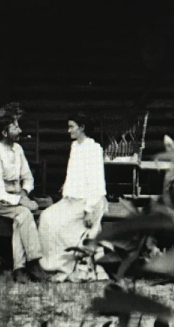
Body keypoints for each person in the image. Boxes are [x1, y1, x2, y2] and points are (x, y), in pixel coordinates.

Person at [0, 103, 51, 283]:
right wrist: (21, 201)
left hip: (18, 196)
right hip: (0, 200)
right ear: (5, 133)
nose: (19, 129)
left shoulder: (18, 149)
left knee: (20, 219)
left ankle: (19, 268)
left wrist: (23, 193)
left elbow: (28, 178)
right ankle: (34, 262)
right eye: (15, 126)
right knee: (24, 213)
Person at [38, 116, 109, 282]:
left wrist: (89, 210)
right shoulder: (75, 146)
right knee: (46, 218)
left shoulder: (93, 148)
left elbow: (96, 182)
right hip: (73, 199)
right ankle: (51, 266)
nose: (68, 130)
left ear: (82, 127)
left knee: (60, 224)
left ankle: (68, 267)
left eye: (72, 126)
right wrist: (66, 190)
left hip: (91, 200)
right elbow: (73, 174)